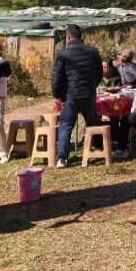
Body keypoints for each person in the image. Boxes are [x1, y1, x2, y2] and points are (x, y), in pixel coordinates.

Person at [51, 24, 104, 167]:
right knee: (92, 122)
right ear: (81, 36)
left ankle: (62, 158)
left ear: (68, 36)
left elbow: (56, 77)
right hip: (89, 94)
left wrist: (58, 95)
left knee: (66, 125)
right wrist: (92, 87)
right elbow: (99, 73)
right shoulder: (93, 51)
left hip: (72, 95)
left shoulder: (63, 54)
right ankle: (99, 148)